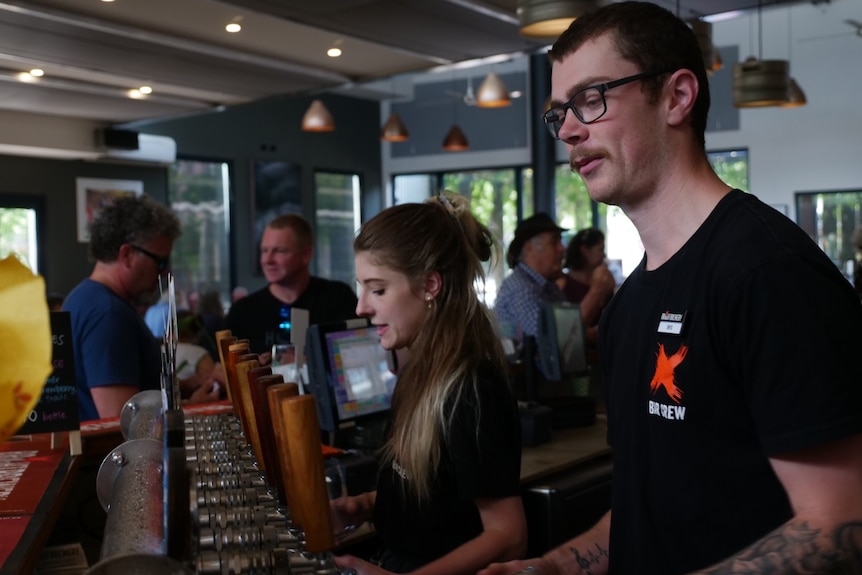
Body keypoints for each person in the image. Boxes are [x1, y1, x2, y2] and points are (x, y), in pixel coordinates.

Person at [481, 2, 862, 575]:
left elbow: (840, 524)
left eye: (591, 98)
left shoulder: (766, 271)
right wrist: (556, 567)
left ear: (677, 97)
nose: (567, 130)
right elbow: (651, 508)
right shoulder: (628, 305)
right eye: (559, 112)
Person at [333, 193, 526, 575]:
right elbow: (439, 501)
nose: (361, 307)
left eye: (378, 289)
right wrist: (366, 505)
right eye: (361, 287)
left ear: (429, 285)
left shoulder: (471, 390)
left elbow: (508, 535)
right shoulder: (420, 371)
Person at [63, 195, 220, 421]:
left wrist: (189, 385)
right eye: (161, 262)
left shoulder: (84, 298)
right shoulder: (107, 314)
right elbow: (120, 420)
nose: (164, 273)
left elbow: (137, 394)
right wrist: (192, 409)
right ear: (127, 255)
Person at [225, 214, 358, 361]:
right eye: (264, 251)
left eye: (280, 251)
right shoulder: (242, 312)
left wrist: (309, 364)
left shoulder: (338, 298)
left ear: (306, 255)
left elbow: (361, 355)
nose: (267, 260)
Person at [493, 213, 567, 342]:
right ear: (529, 248)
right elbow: (551, 341)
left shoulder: (547, 286)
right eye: (554, 242)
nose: (562, 249)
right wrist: (596, 291)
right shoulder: (521, 289)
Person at [557, 228, 615, 342]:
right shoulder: (563, 284)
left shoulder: (605, 280)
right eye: (600, 250)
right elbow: (565, 330)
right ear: (584, 250)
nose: (603, 255)